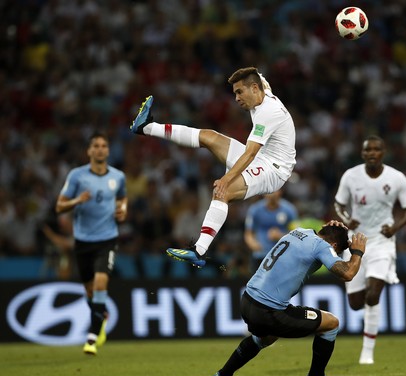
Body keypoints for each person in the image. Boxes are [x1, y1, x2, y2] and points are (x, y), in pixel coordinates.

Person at [130, 67, 296, 268]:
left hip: (274, 170)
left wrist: (225, 180)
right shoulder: (261, 90)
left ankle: (199, 250)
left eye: (239, 92)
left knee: (222, 192)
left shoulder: (268, 113)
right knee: (209, 137)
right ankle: (146, 127)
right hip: (262, 157)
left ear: (254, 88)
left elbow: (250, 154)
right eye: (235, 93)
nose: (236, 98)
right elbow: (258, 76)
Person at [207, 221, 367, 376]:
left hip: (247, 301)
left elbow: (328, 246)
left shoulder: (299, 232)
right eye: (337, 251)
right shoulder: (322, 246)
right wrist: (357, 251)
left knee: (267, 337)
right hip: (268, 310)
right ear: (333, 245)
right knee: (331, 323)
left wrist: (338, 236)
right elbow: (347, 273)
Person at [334, 134, 406, 365]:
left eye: (376, 150)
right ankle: (368, 323)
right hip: (356, 242)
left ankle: (367, 351)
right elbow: (338, 204)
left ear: (383, 152)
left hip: (382, 242)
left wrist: (396, 226)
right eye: (367, 150)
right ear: (362, 153)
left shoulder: (397, 178)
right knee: (356, 303)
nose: (371, 153)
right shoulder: (351, 176)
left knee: (373, 295)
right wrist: (346, 219)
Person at [56, 132, 128, 355]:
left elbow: (123, 198)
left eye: (104, 145)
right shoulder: (77, 176)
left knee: (99, 284)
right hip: (83, 241)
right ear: (89, 151)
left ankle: (93, 335)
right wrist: (78, 200)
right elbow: (59, 206)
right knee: (89, 290)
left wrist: (123, 209)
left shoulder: (118, 176)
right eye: (95, 146)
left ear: (108, 150)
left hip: (107, 239)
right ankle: (101, 315)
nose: (100, 149)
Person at [244, 189, 298, 273]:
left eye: (275, 190)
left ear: (280, 192)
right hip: (260, 256)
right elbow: (248, 233)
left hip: (282, 256)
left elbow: (296, 234)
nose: (271, 194)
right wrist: (253, 244)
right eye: (269, 191)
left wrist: (281, 236)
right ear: (263, 193)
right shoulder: (255, 209)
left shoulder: (289, 210)